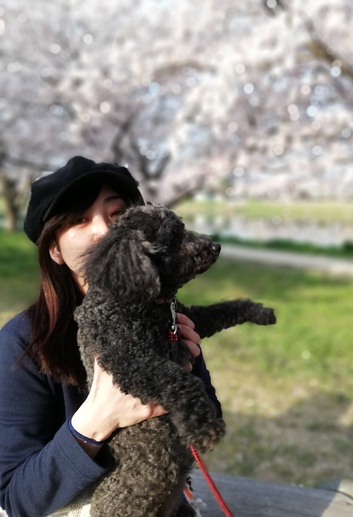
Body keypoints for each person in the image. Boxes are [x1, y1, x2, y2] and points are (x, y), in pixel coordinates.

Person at [0, 156, 222, 517]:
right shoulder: (21, 344)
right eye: (79, 220)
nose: (103, 230)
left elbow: (206, 418)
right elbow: (16, 498)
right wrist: (97, 420)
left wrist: (186, 371)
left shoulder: (165, 314)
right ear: (54, 249)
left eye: (117, 213)